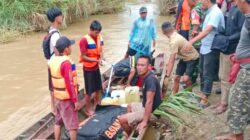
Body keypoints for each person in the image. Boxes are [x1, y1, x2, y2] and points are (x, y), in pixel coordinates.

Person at [215, 0, 250, 139]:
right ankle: (234, 134)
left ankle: (236, 137)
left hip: (247, 71)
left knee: (236, 103)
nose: (235, 5)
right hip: (244, 65)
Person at [186, 0, 225, 107]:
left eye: (202, 0)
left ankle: (205, 98)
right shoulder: (209, 11)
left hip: (212, 47)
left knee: (208, 73)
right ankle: (203, 92)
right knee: (202, 71)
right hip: (205, 45)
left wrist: (191, 41)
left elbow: (208, 30)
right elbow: (208, 30)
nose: (200, 2)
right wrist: (197, 33)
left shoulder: (215, 12)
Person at [212, 0, 245, 115]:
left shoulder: (240, 11)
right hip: (225, 47)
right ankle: (223, 100)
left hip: (232, 49)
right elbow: (230, 28)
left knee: (227, 78)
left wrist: (228, 39)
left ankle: (225, 104)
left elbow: (241, 32)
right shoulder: (231, 8)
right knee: (221, 75)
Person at [118, 55, 162, 137]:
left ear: (149, 67)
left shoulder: (150, 80)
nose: (139, 67)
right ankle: (132, 126)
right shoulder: (148, 75)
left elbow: (149, 102)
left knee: (121, 119)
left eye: (142, 65)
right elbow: (159, 93)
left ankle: (129, 135)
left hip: (153, 113)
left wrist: (145, 121)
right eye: (138, 65)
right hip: (145, 107)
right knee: (130, 105)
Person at [49, 36, 80, 140]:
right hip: (67, 100)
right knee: (73, 126)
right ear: (66, 49)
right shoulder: (66, 63)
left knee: (58, 121)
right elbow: (69, 83)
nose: (71, 48)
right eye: (70, 46)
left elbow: (51, 83)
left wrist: (52, 101)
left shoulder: (52, 61)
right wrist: (75, 100)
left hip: (58, 98)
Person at [162, 22, 199, 94]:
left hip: (192, 58)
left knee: (185, 79)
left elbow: (172, 60)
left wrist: (167, 76)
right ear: (173, 29)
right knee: (176, 78)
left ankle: (190, 94)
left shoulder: (174, 41)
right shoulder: (174, 34)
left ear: (164, 33)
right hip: (183, 57)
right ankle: (174, 95)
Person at [79, 20, 105, 116]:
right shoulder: (84, 40)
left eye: (98, 32)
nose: (97, 34)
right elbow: (83, 57)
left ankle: (97, 105)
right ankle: (88, 109)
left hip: (96, 67)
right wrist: (96, 60)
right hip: (88, 69)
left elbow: (101, 50)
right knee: (89, 91)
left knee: (98, 87)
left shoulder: (99, 37)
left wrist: (102, 58)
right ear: (90, 30)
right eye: (95, 32)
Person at [46, 7, 63, 114]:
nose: (62, 17)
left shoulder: (51, 31)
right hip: (55, 65)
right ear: (57, 18)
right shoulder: (55, 35)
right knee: (56, 87)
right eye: (61, 15)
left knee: (52, 87)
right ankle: (55, 108)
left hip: (50, 63)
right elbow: (58, 53)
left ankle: (53, 107)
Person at [188, 0, 204, 84]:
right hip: (203, 39)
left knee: (193, 60)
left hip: (196, 41)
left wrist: (191, 40)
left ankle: (192, 79)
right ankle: (200, 79)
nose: (187, 3)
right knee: (200, 61)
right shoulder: (202, 6)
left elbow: (195, 25)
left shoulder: (195, 9)